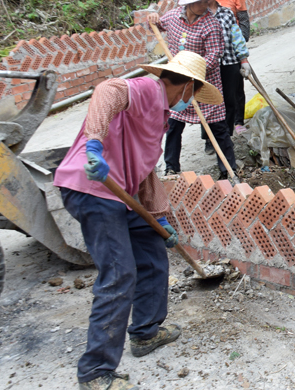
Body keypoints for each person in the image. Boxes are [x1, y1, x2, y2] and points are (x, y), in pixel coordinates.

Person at [53, 51, 223, 390]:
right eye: (193, 95)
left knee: (152, 256)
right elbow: (106, 91)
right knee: (119, 274)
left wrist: (161, 220)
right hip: (93, 188)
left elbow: (144, 174)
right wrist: (94, 146)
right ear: (188, 86)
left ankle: (145, 333)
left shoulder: (161, 116)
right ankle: (95, 372)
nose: (190, 103)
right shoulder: (149, 90)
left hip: (122, 197)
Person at [147, 0, 238, 179]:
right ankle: (171, 168)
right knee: (173, 125)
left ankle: (228, 170)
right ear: (189, 3)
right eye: (202, 1)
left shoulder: (210, 24)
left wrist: (194, 70)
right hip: (178, 84)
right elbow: (157, 26)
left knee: (218, 128)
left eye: (207, 1)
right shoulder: (172, 18)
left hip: (204, 83)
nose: (206, 5)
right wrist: (152, 19)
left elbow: (215, 55)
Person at [197, 0, 252, 148]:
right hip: (206, 66)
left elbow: (237, 37)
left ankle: (225, 136)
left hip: (229, 62)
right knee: (207, 101)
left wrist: (243, 60)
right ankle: (209, 139)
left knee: (229, 101)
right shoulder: (197, 15)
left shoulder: (226, 13)